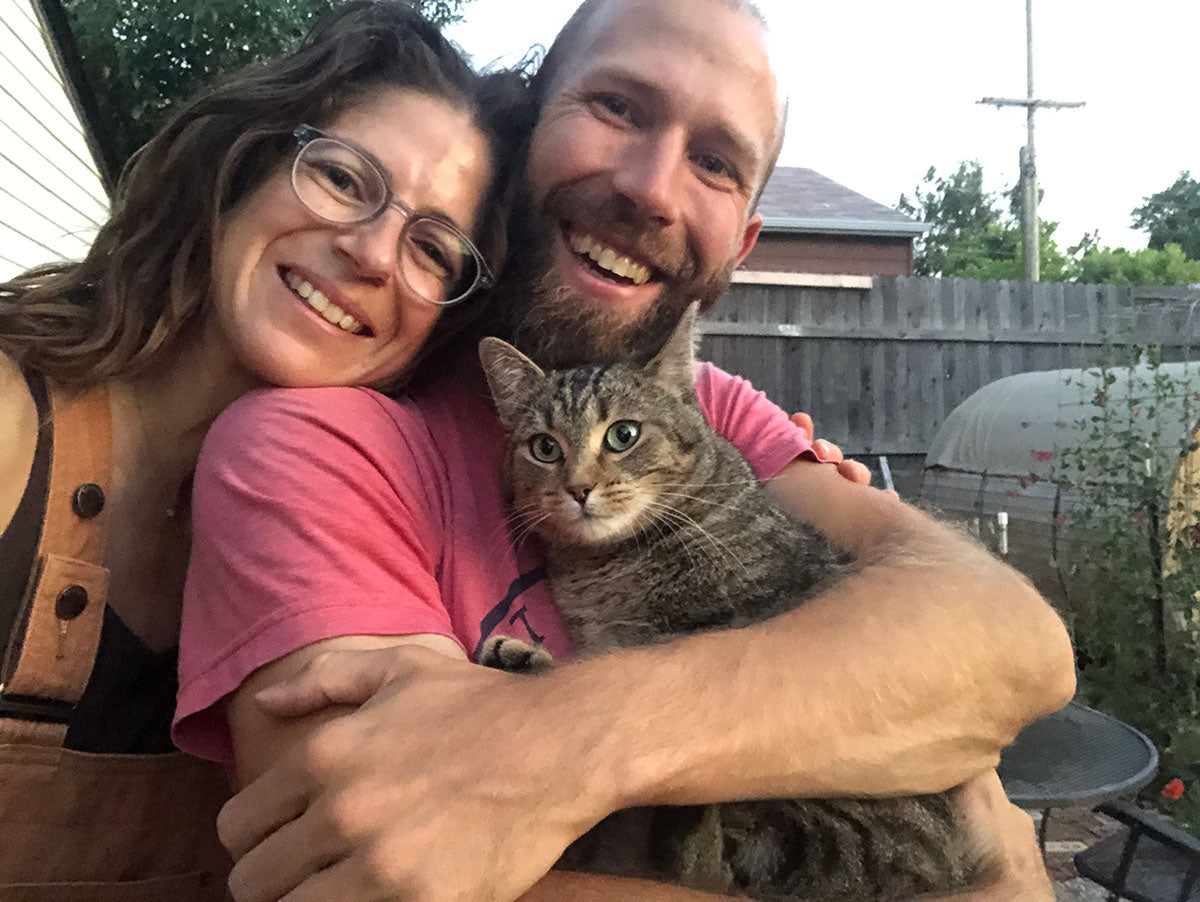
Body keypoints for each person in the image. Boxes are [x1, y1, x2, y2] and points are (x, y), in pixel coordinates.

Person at [177, 0, 1076, 900]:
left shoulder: (710, 408)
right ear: (526, 127)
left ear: (745, 241)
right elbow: (368, 875)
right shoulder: (324, 448)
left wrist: (560, 741)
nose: (652, 187)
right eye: (618, 107)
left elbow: (1017, 645)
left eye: (716, 162)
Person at [0, 2, 523, 894]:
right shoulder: (12, 419)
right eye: (344, 178)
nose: (369, 252)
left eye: (432, 249)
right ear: (244, 164)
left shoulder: (381, 569)